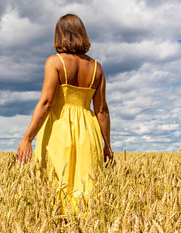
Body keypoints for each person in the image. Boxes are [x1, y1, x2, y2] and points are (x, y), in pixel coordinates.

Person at [16, 14, 113, 215]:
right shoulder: (97, 67)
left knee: (55, 188)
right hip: (88, 131)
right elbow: (101, 110)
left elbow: (46, 102)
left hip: (58, 129)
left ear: (60, 35)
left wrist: (27, 138)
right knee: (86, 188)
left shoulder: (55, 62)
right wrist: (107, 145)